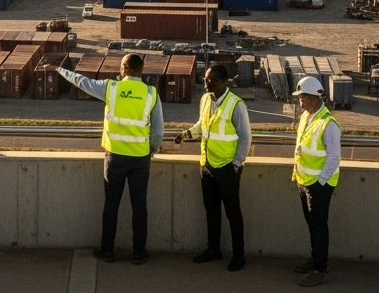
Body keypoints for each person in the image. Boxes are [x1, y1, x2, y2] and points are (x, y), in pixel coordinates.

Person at [56, 53, 163, 265]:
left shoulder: (111, 88)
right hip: (140, 159)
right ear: (141, 70)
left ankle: (107, 250)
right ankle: (139, 252)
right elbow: (158, 129)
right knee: (139, 206)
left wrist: (60, 70)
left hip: (115, 157)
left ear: (124, 67)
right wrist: (151, 149)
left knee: (111, 204)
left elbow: (82, 82)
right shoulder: (151, 93)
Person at [174, 65, 250, 271]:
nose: (206, 83)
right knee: (212, 211)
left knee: (233, 212)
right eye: (205, 79)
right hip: (207, 166)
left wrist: (235, 165)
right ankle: (213, 249)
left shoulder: (236, 105)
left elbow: (245, 138)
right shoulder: (206, 99)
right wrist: (186, 134)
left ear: (224, 82)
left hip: (227, 168)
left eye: (211, 80)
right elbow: (202, 126)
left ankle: (238, 255)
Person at [291, 75, 341, 287]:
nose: (299, 101)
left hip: (317, 185)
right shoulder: (307, 116)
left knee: (319, 226)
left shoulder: (328, 124)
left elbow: (334, 157)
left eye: (302, 97)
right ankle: (316, 259)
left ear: (313, 98)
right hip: (305, 181)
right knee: (312, 225)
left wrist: (319, 182)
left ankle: (319, 269)